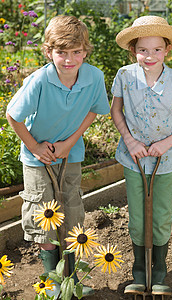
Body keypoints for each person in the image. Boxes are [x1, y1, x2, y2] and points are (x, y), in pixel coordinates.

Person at [6, 15, 110, 296]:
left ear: (85, 51)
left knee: (72, 213)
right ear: (49, 51)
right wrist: (36, 148)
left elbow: (95, 110)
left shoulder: (94, 77)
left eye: (76, 52)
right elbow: (13, 116)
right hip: (38, 160)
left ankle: (71, 280)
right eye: (61, 52)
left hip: (69, 155)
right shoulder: (40, 80)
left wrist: (69, 143)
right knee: (45, 217)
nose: (69, 60)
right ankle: (51, 283)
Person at [111, 15, 172, 297]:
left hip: (166, 160)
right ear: (133, 50)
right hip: (134, 158)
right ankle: (139, 274)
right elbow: (116, 111)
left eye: (156, 50)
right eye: (143, 50)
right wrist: (130, 140)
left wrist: (166, 143)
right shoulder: (125, 76)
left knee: (161, 216)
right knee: (137, 217)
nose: (149, 56)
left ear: (167, 50)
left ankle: (159, 274)